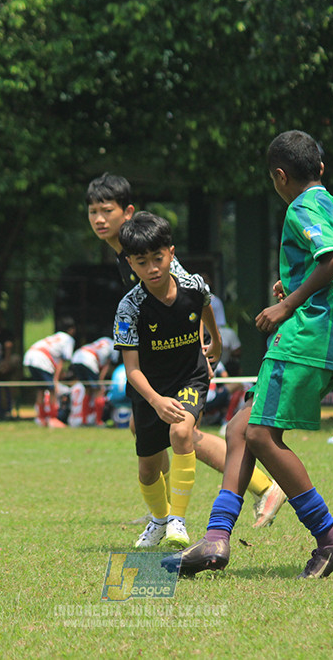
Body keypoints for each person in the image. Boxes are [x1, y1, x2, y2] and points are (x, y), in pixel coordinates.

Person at [171, 130, 333, 579]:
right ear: (321, 168)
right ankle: (217, 539)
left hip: (306, 337)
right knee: (240, 428)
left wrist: (288, 303)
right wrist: (302, 284)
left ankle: (331, 536)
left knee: (261, 436)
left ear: (280, 176)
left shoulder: (300, 206)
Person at [86, 172, 286, 528]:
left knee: (183, 432)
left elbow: (186, 298)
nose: (99, 219)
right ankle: (161, 512)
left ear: (127, 212)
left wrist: (203, 347)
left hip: (180, 364)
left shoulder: (148, 249)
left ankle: (264, 487)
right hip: (156, 365)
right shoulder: (126, 256)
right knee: (144, 428)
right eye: (92, 212)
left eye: (107, 210)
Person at [113, 212, 222, 549]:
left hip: (190, 375)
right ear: (131, 263)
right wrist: (156, 401)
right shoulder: (129, 308)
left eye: (158, 258)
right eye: (142, 262)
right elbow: (132, 370)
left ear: (171, 253)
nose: (152, 268)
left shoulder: (194, 286)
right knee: (147, 470)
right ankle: (159, 521)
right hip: (150, 390)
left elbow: (205, 306)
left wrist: (214, 341)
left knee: (181, 430)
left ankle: (178, 518)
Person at [23, 316, 76, 426]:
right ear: (72, 329)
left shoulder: (56, 336)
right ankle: (52, 418)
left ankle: (41, 418)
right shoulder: (68, 339)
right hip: (42, 359)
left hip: (30, 355)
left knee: (41, 388)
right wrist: (56, 379)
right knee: (52, 389)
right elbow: (62, 361)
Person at [68, 336, 117, 426]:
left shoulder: (103, 340)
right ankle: (98, 422)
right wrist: (100, 381)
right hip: (89, 359)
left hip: (76, 357)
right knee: (99, 391)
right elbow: (107, 365)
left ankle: (84, 421)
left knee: (87, 390)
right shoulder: (114, 345)